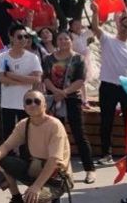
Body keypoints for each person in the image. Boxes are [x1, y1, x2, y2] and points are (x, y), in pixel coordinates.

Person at [0, 90, 73, 203]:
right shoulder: (24, 124)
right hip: (35, 171)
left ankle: (49, 195)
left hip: (56, 178)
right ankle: (16, 198)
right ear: (24, 107)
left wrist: (36, 187)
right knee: (1, 161)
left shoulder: (54, 125)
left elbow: (54, 161)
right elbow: (6, 146)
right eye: (28, 102)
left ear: (45, 105)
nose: (33, 104)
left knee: (31, 198)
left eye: (37, 101)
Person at [89, 2, 127, 165]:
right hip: (107, 86)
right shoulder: (108, 40)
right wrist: (96, 12)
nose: (126, 27)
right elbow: (96, 27)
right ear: (119, 24)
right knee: (106, 121)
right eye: (124, 23)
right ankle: (106, 154)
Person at [42, 31, 95, 184]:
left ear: (71, 41)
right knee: (56, 136)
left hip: (72, 99)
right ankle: (59, 170)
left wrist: (64, 92)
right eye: (60, 38)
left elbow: (80, 80)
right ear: (56, 41)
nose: (63, 41)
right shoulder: (48, 59)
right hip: (54, 100)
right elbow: (45, 78)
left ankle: (89, 169)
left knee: (79, 134)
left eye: (66, 38)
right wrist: (55, 91)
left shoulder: (78, 59)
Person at [0, 24, 43, 141]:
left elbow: (37, 79)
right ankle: (8, 158)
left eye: (26, 37)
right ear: (11, 38)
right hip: (8, 102)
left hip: (27, 102)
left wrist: (12, 76)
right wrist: (25, 80)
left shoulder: (33, 57)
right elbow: (2, 79)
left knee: (26, 134)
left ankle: (25, 158)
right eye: (20, 37)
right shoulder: (2, 57)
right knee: (8, 134)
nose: (24, 40)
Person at [69, 18, 94, 108]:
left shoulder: (84, 34)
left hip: (85, 60)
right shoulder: (70, 36)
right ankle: (82, 99)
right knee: (78, 80)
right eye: (75, 25)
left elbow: (94, 29)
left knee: (83, 80)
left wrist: (86, 26)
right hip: (75, 60)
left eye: (79, 24)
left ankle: (84, 100)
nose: (78, 26)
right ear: (71, 27)